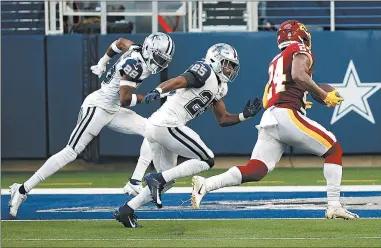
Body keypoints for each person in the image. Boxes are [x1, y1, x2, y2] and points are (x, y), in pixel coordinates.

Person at [191, 20, 359, 220]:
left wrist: (300, 98)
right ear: (301, 36)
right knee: (333, 149)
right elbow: (298, 75)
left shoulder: (276, 60)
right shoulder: (300, 48)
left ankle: (206, 185)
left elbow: (268, 96)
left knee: (256, 169)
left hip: (271, 116)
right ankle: (334, 205)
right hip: (286, 114)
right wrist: (322, 95)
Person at [8, 32, 175, 218]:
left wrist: (103, 61)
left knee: (151, 130)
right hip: (99, 106)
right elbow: (125, 100)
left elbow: (120, 43)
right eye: (159, 57)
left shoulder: (136, 49)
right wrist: (152, 97)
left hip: (113, 108)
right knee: (71, 151)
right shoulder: (135, 65)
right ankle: (21, 190)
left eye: (164, 59)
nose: (160, 63)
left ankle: (135, 181)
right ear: (149, 50)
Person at [114, 43, 262, 228]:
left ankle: (126, 210)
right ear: (215, 59)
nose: (230, 69)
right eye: (227, 63)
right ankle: (156, 179)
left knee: (167, 181)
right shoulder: (205, 70)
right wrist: (158, 91)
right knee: (207, 159)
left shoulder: (220, 86)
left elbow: (223, 119)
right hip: (167, 124)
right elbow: (179, 80)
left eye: (232, 66)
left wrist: (244, 116)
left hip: (159, 126)